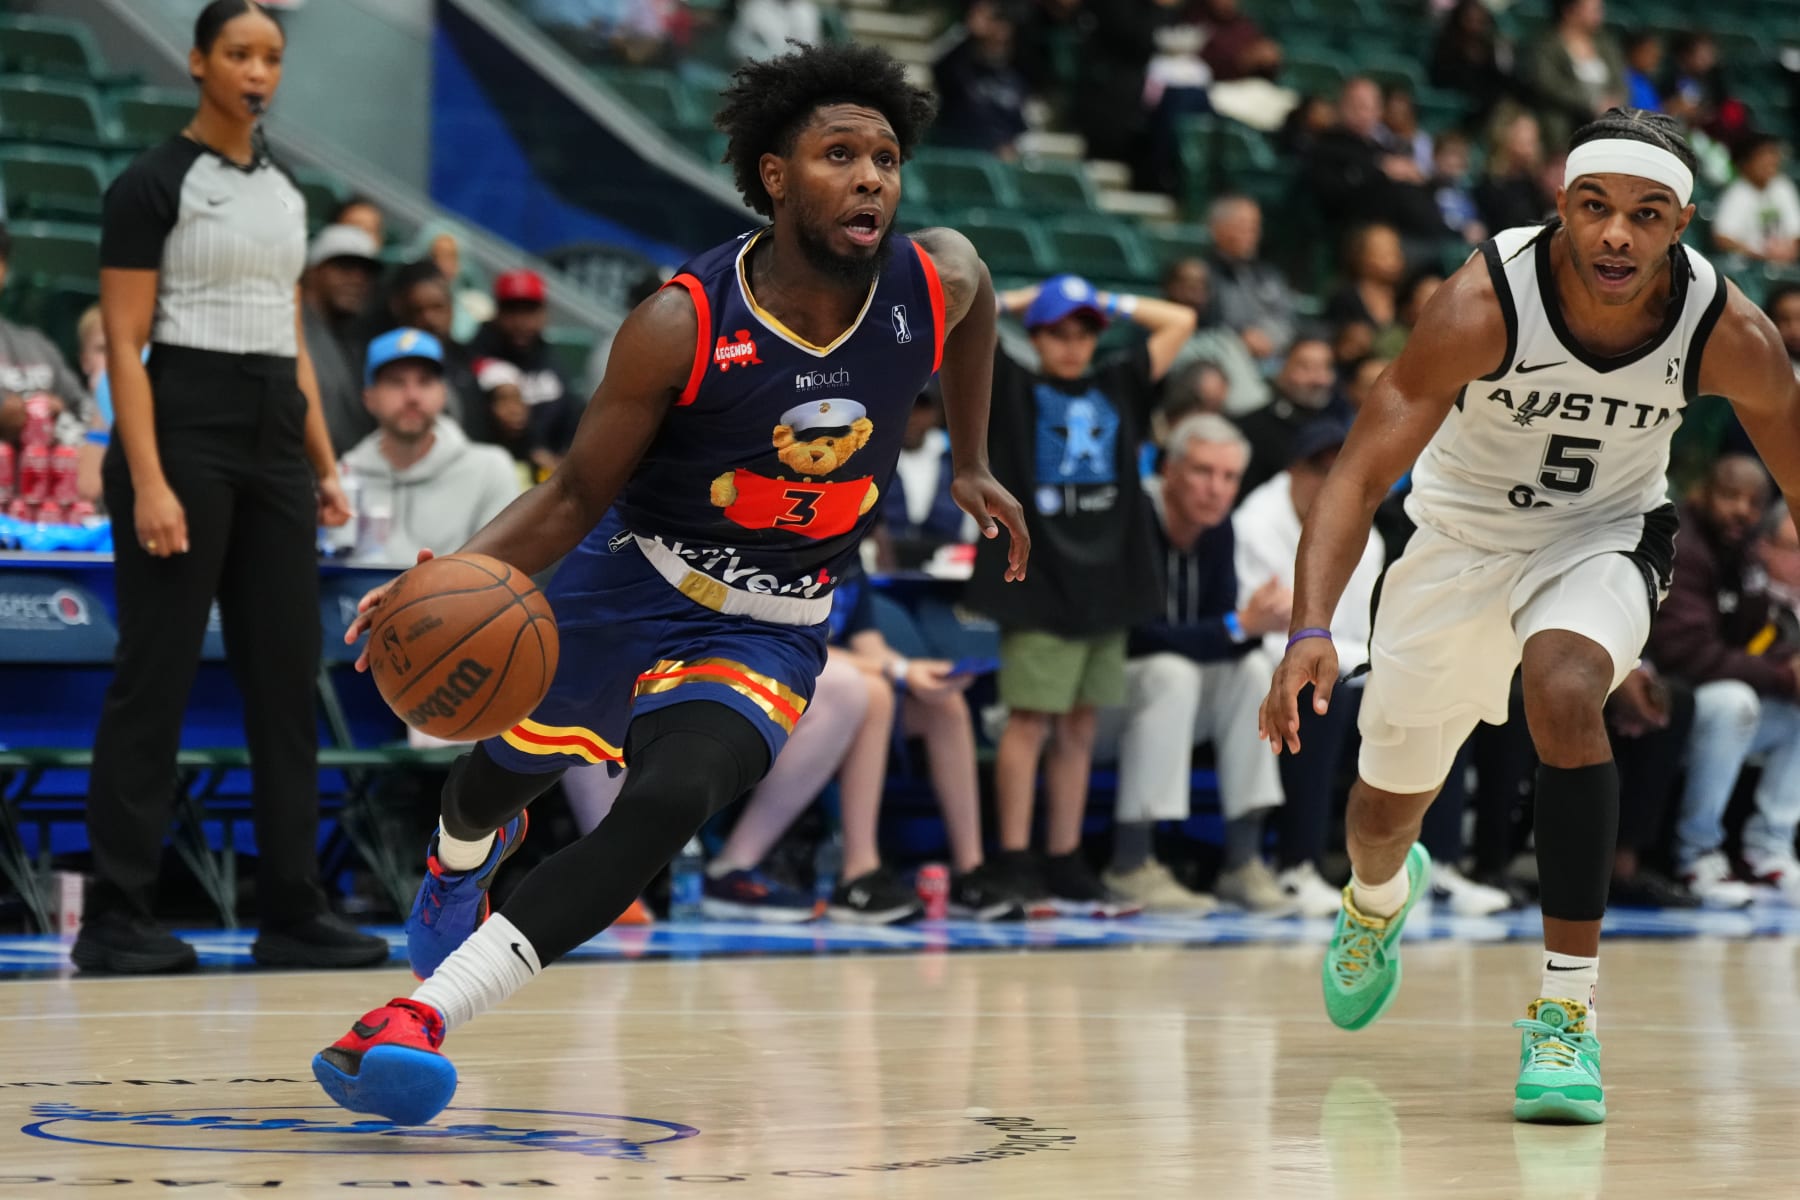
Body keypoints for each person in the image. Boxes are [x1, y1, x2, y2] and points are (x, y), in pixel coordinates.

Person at [311, 41, 1028, 1125]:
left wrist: (970, 458)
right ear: (777, 177)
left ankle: (421, 1018)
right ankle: (460, 857)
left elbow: (974, 317)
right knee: (491, 783)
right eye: (840, 154)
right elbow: (571, 496)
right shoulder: (682, 322)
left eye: (885, 157)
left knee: (666, 806)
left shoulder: (935, 276)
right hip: (628, 581)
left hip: (773, 627)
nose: (873, 176)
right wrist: (451, 579)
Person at [1260, 108, 1800, 1125]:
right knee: (1381, 818)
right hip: (1457, 544)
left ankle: (1567, 1014)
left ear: (1683, 224)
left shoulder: (1730, 333)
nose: (1615, 237)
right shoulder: (1481, 303)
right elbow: (1358, 472)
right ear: (1561, 207)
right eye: (1594, 209)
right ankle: (1378, 902)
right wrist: (1310, 627)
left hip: (1606, 535)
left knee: (1563, 686)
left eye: (1645, 216)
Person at [73, 0, 390, 975]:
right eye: (240, 55)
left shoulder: (287, 193)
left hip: (271, 442)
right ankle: (116, 918)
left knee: (286, 683)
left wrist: (326, 463)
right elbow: (125, 342)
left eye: (273, 57)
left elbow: (286, 335)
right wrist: (152, 479)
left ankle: (292, 910)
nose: (259, 72)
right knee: (154, 680)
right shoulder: (151, 184)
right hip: (181, 428)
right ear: (200, 62)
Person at [969, 273, 1194, 915]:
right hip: (1036, 577)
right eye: (1057, 332)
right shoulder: (1013, 382)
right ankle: (1015, 856)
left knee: (1080, 723)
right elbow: (961, 319)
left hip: (1107, 579)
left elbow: (1179, 320)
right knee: (1030, 719)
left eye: (1084, 332)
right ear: (1035, 335)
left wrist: (1106, 300)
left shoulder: (1118, 380)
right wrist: (1022, 295)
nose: (1072, 345)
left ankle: (1065, 855)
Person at [1102, 414, 1287, 914]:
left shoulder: (1218, 530)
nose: (1216, 489)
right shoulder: (1130, 515)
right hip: (1096, 701)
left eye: (1229, 478)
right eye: (1203, 471)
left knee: (1253, 675)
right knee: (1170, 671)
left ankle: (1243, 860)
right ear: (1169, 469)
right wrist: (1237, 626)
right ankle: (1131, 862)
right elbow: (1135, 636)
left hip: (1166, 702)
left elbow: (1228, 636)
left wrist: (1256, 624)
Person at [1233, 420, 1381, 917]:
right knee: (1321, 691)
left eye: (1340, 468)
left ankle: (1436, 864)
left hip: (1343, 656)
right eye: (1320, 468)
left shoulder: (1366, 531)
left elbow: (1360, 627)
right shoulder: (1254, 521)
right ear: (1294, 470)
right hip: (1264, 661)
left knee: (1434, 691)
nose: (1329, 479)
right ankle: (1297, 864)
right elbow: (1260, 619)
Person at [1647, 458, 1795, 906]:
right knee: (1735, 702)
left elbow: (1756, 636)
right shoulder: (1683, 546)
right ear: (1702, 494)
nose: (1742, 511)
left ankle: (1768, 850)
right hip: (1669, 699)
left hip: (1714, 699)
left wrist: (1789, 663)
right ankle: (1697, 854)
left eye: (1753, 503)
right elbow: (1689, 655)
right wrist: (1782, 675)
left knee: (1792, 712)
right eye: (1730, 496)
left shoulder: (1745, 554)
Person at [339, 328, 522, 566]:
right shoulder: (342, 478)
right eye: (396, 382)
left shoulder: (491, 469)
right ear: (369, 398)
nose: (412, 396)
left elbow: (502, 570)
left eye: (425, 381)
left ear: (443, 393)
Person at [467, 268, 581, 474]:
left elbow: (571, 413)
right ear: (497, 312)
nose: (521, 322)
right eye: (512, 310)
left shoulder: (548, 357)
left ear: (543, 314)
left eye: (529, 310)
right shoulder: (477, 355)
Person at [302, 222, 382, 454]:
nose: (358, 279)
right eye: (345, 266)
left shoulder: (356, 346)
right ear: (313, 270)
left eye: (367, 272)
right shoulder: (288, 328)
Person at [1232, 336, 1338, 498]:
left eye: (1325, 367)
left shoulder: (1339, 428)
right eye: (1306, 367)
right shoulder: (1250, 428)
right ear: (1281, 368)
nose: (1318, 379)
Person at [1711, 134, 1800, 267]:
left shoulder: (1783, 187)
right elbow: (1722, 238)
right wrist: (1760, 254)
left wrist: (1788, 250)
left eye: (1773, 156)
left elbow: (1796, 232)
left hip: (1785, 267)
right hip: (1750, 269)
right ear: (1746, 163)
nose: (1770, 162)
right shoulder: (1736, 194)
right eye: (1763, 157)